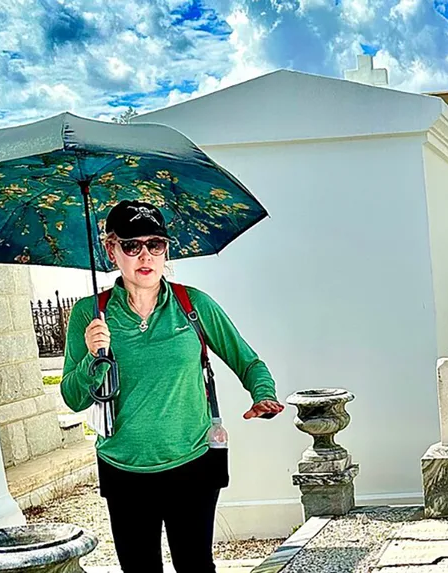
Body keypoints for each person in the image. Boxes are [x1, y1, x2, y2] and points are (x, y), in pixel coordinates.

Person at [60, 200, 284, 572]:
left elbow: (248, 361)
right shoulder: (90, 313)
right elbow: (73, 397)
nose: (144, 255)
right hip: (123, 469)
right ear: (111, 248)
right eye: (132, 245)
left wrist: (263, 394)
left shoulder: (192, 304)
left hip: (192, 464)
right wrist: (92, 357)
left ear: (166, 248)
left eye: (156, 244)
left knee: (195, 566)